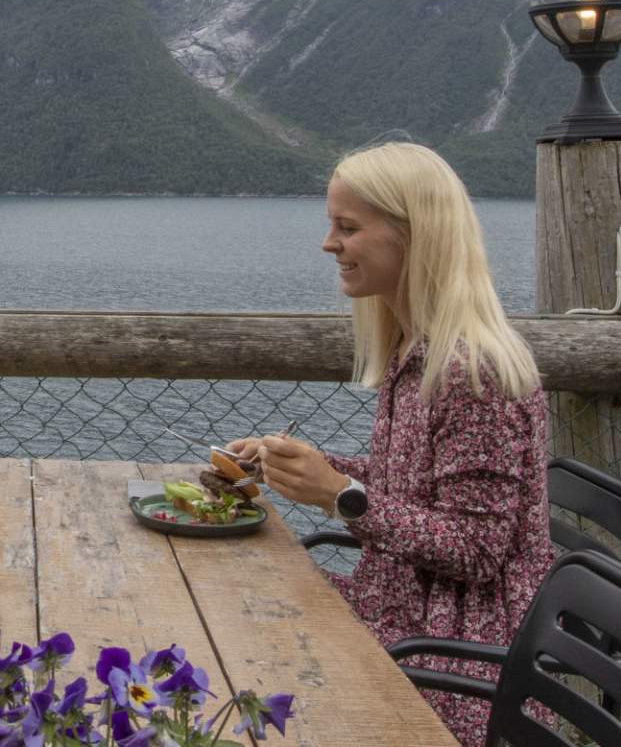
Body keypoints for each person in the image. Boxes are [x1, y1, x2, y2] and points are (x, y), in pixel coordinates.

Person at [229, 142, 549, 747]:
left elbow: (479, 548)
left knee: (240, 649)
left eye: (347, 228)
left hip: (454, 659)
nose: (329, 244)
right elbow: (415, 482)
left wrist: (342, 496)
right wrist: (307, 469)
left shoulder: (472, 372)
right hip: (404, 616)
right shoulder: (418, 348)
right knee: (240, 615)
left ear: (412, 236)